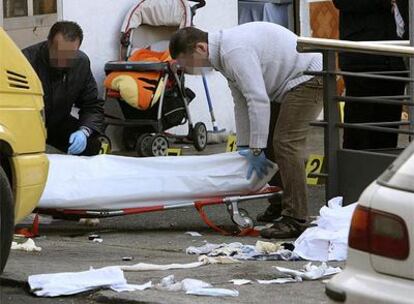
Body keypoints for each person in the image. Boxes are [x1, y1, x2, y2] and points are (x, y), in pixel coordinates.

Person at [169, 22, 323, 238]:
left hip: (309, 77)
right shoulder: (222, 56)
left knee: (285, 143)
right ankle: (280, 201)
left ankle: (296, 218)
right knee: (270, 142)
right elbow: (240, 100)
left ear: (201, 48)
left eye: (186, 64)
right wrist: (244, 144)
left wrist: (256, 147)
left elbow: (257, 99)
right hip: (288, 83)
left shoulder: (233, 51)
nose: (187, 71)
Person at [333, 0, 409, 150]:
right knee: (359, 127)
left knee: (388, 127)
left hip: (396, 58)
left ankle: (385, 168)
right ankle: (355, 170)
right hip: (363, 58)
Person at [23, 21, 104, 156]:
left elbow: (92, 105)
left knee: (92, 145)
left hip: (59, 122)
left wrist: (85, 131)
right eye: (59, 53)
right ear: (49, 43)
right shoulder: (26, 61)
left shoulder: (81, 63)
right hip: (29, 127)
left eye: (69, 55)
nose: (62, 60)